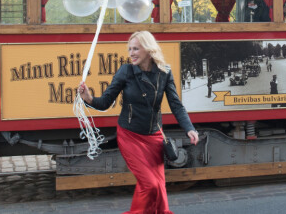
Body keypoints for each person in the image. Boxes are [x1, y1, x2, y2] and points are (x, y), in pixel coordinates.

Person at [77, 31, 199, 214]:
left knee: (158, 186)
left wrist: (189, 128)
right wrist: (89, 98)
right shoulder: (125, 72)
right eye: (130, 49)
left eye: (136, 48)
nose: (131, 53)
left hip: (154, 137)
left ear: (149, 50)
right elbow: (105, 103)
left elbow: (176, 105)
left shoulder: (164, 73)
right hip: (130, 136)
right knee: (149, 185)